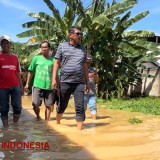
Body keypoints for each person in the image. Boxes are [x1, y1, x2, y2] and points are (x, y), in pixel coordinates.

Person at [52, 26, 90, 130]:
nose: (80, 36)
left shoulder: (83, 49)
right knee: (62, 105)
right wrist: (54, 79)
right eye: (78, 34)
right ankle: (58, 123)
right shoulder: (62, 46)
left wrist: (87, 82)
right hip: (65, 81)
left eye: (80, 34)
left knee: (80, 107)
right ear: (70, 35)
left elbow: (85, 66)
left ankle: (79, 132)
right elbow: (56, 63)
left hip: (79, 82)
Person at [24, 41, 55, 121]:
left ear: (49, 48)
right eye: (42, 47)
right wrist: (27, 83)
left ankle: (46, 122)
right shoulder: (36, 58)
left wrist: (56, 84)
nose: (43, 49)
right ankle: (38, 116)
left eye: (45, 47)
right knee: (35, 104)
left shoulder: (53, 60)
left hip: (49, 86)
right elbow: (30, 71)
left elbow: (55, 73)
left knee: (48, 105)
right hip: (37, 85)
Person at [0, 35, 23, 127]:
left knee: (18, 108)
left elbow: (18, 72)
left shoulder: (15, 57)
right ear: (1, 45)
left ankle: (15, 126)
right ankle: (6, 129)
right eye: (3, 43)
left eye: (7, 43)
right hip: (2, 88)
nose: (6, 45)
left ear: (10, 44)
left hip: (15, 86)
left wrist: (21, 86)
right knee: (4, 109)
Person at [84, 54, 99, 120]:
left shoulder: (93, 69)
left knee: (93, 107)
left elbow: (97, 80)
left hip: (92, 93)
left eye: (89, 62)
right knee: (82, 108)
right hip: (83, 93)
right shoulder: (80, 69)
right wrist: (88, 76)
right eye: (87, 62)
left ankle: (95, 122)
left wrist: (95, 75)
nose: (88, 63)